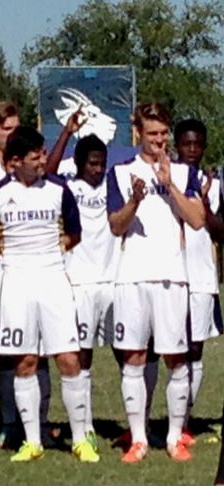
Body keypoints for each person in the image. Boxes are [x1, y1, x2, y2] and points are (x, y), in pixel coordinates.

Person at [0, 127, 95, 463]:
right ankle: (32, 442)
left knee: (69, 359)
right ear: (14, 162)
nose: (43, 161)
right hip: (16, 284)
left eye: (43, 154)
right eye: (35, 156)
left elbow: (75, 233)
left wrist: (57, 249)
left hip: (53, 280)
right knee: (25, 361)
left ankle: (81, 440)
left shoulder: (59, 190)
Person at [107, 103, 205, 463]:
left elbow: (197, 220)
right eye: (152, 134)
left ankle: (175, 437)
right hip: (132, 275)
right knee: (134, 356)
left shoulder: (182, 171)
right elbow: (116, 225)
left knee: (176, 359)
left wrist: (169, 186)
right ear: (138, 134)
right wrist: (134, 200)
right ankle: (138, 439)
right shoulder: (120, 173)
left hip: (172, 276)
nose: (159, 140)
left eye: (164, 133)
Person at [47, 129, 115, 448]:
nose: (98, 170)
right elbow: (47, 171)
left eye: (101, 164)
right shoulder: (68, 188)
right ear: (79, 163)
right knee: (82, 354)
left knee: (129, 352)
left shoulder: (114, 185)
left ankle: (136, 425)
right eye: (92, 164)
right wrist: (66, 133)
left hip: (113, 280)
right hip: (80, 283)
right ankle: (84, 424)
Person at [174, 119, 224, 446]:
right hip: (169, 276)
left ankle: (185, 421)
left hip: (202, 277)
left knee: (194, 349)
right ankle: (160, 421)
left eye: (198, 144)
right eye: (187, 144)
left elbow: (220, 232)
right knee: (163, 349)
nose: (193, 150)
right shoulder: (165, 181)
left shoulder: (215, 184)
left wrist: (205, 202)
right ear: (176, 145)